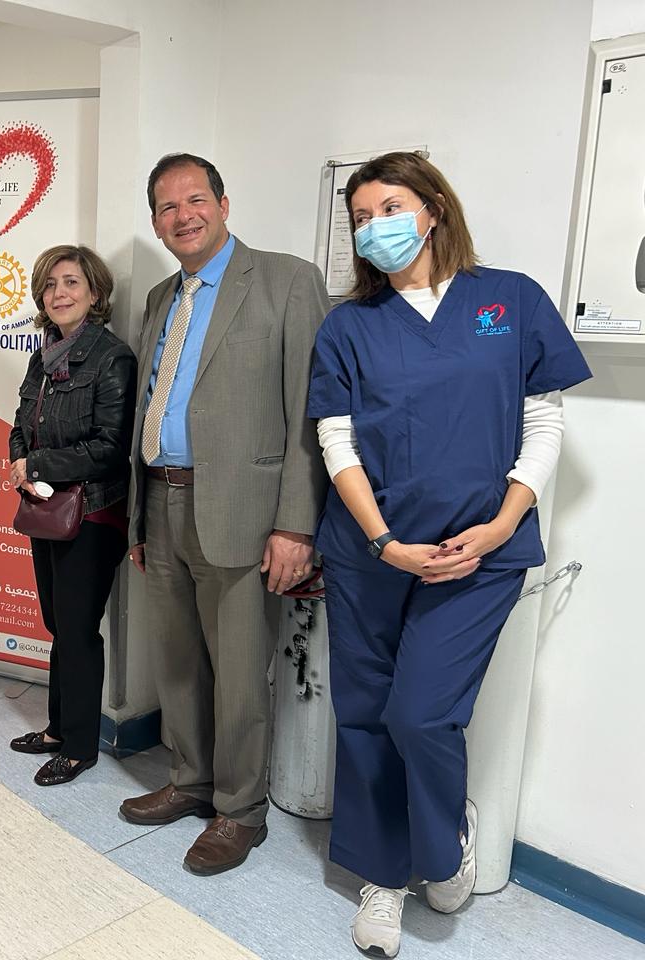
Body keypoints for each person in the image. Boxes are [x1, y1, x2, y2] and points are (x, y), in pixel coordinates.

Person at [308, 151, 591, 958]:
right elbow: (337, 441)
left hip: (478, 553)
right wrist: (384, 541)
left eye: (390, 208)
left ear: (433, 208)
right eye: (361, 217)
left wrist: (503, 524)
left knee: (421, 712)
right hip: (372, 552)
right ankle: (382, 876)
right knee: (366, 712)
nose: (376, 227)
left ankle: (443, 842)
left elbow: (544, 420)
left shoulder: (510, 300)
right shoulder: (349, 325)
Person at [120, 153, 330, 873]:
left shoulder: (286, 281)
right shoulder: (160, 297)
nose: (183, 216)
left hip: (245, 511)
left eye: (195, 199)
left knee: (240, 674)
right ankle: (190, 780)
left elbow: (310, 412)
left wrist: (296, 525)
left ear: (223, 203)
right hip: (160, 502)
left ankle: (240, 810)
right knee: (177, 660)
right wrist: (138, 518)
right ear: (156, 222)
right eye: (167, 207)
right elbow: (149, 405)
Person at [6, 245, 136, 786]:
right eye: (50, 285)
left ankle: (80, 746)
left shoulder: (112, 357)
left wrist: (36, 463)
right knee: (58, 624)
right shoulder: (43, 357)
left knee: (78, 629)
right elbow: (21, 423)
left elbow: (110, 446)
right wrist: (19, 459)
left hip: (93, 515)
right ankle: (59, 728)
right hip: (46, 507)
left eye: (71, 283)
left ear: (95, 292)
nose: (59, 293)